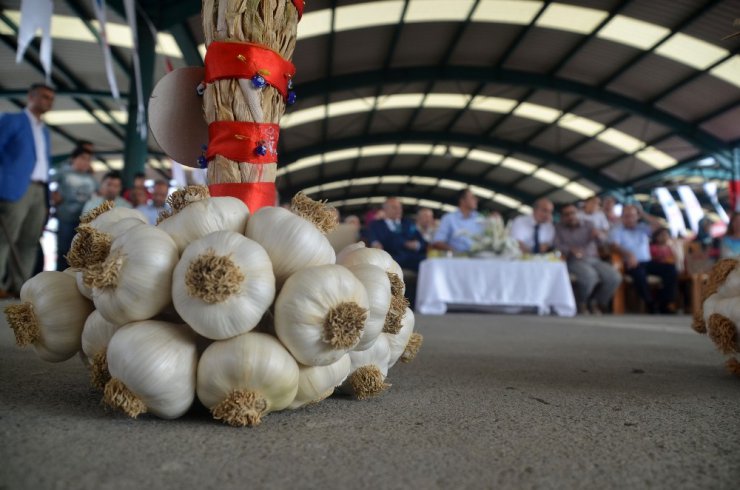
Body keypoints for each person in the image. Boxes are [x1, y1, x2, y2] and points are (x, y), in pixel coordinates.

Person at [0, 83, 55, 298]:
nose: (48, 101)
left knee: (29, 240)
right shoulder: (12, 120)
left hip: (40, 189)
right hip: (15, 188)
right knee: (5, 237)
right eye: (43, 96)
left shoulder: (46, 132)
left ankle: (19, 285)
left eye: (51, 98)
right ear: (30, 97)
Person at [609, 204, 677, 314]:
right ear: (622, 217)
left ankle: (664, 303)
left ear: (637, 216)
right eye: (626, 216)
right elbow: (614, 246)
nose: (629, 218)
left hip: (648, 262)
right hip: (630, 263)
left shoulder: (642, 228)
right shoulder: (617, 229)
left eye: (632, 215)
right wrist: (629, 254)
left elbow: (659, 225)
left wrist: (643, 214)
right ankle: (651, 304)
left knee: (670, 269)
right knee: (639, 273)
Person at [555, 204, 621, 314]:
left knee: (614, 277)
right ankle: (582, 303)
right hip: (573, 260)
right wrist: (570, 249)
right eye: (567, 214)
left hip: (594, 259)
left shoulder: (589, 224)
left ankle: (596, 302)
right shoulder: (558, 228)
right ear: (562, 217)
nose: (571, 216)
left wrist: (599, 235)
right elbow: (556, 245)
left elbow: (603, 242)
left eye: (573, 213)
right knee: (589, 276)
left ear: (577, 213)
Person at [51, 147, 98, 270]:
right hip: (66, 217)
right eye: (82, 158)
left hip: (84, 221)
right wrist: (53, 196)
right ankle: (59, 278)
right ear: (73, 159)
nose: (85, 162)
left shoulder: (92, 179)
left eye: (88, 160)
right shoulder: (64, 172)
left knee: (79, 252)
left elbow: (99, 194)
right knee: (64, 250)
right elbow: (46, 182)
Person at [367, 197, 427, 272]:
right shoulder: (375, 225)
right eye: (394, 207)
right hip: (391, 259)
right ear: (385, 210)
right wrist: (376, 247)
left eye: (400, 208)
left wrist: (416, 245)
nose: (398, 210)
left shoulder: (408, 223)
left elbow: (422, 242)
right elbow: (374, 241)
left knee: (427, 261)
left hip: (413, 258)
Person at [431, 188, 484, 254]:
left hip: (480, 259)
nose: (476, 200)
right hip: (457, 261)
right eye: (472, 197)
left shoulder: (481, 218)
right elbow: (437, 242)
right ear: (462, 200)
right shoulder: (448, 218)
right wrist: (456, 252)